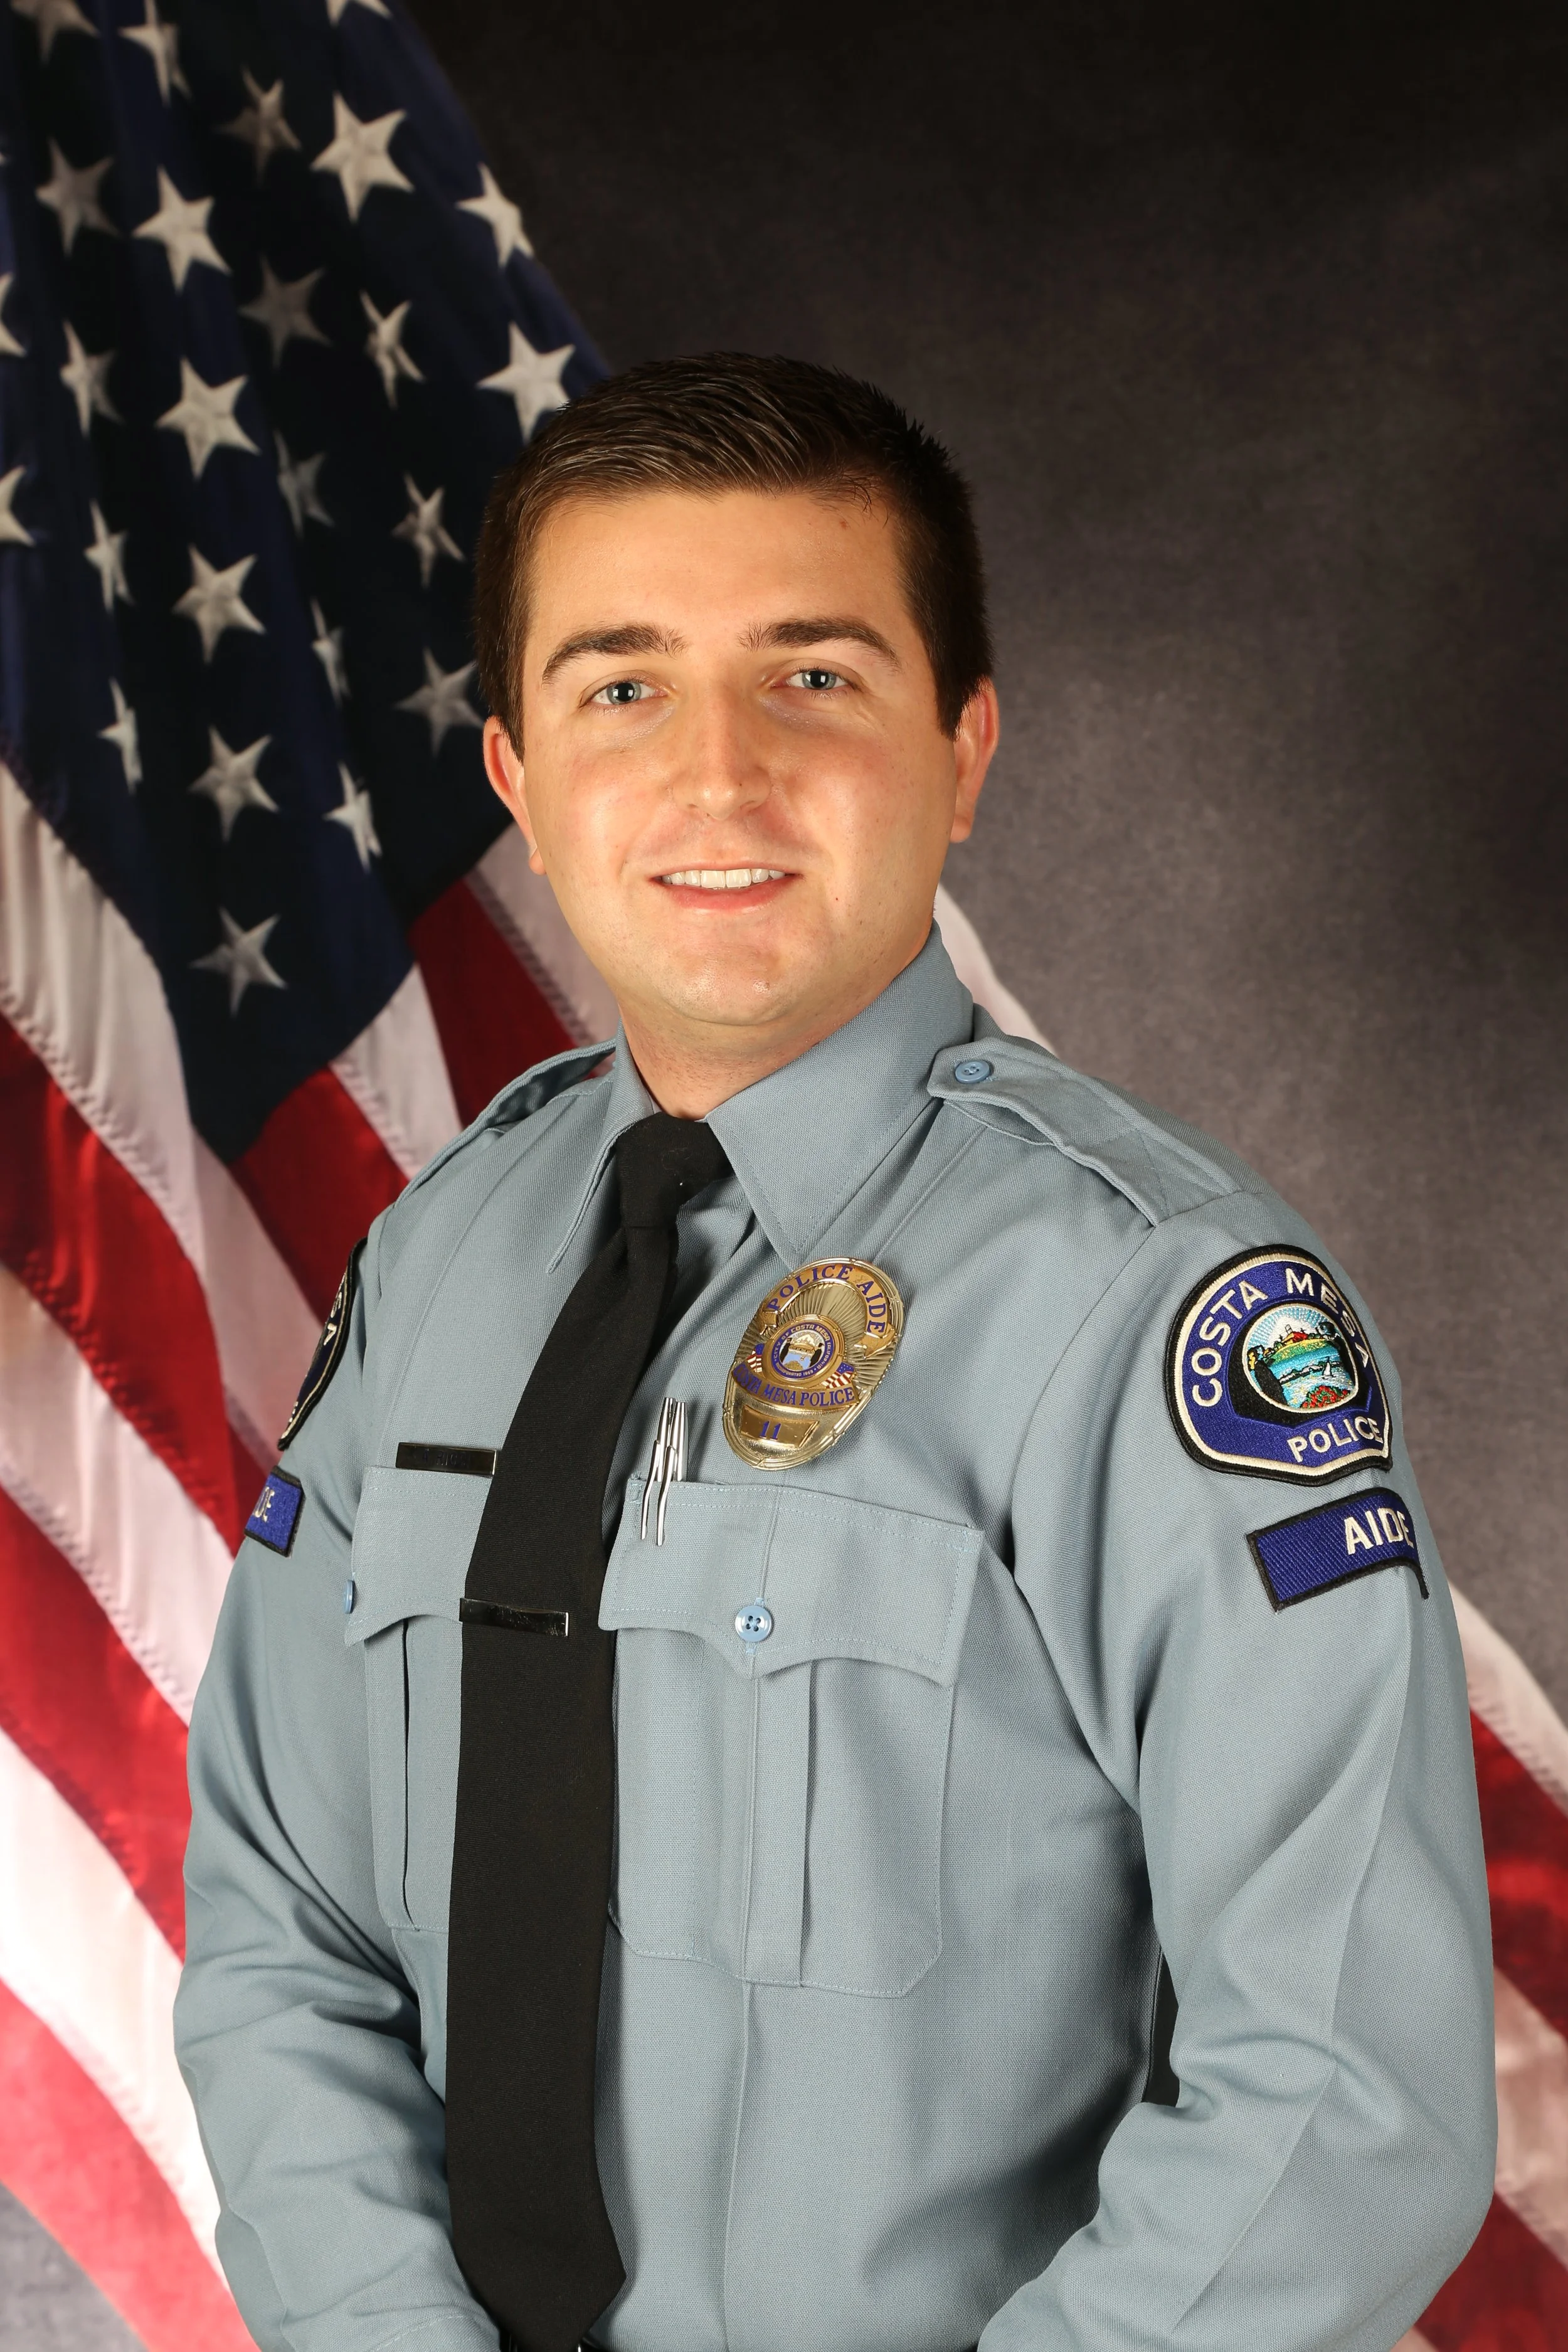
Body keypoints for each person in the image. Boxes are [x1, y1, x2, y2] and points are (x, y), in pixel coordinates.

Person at [176, 354, 1495, 2352]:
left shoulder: (1156, 1305)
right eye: (622, 684)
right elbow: (289, 1923)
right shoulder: (444, 1256)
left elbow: (1343, 2097)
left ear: (961, 751)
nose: (718, 777)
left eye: (813, 676)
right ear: (520, 771)